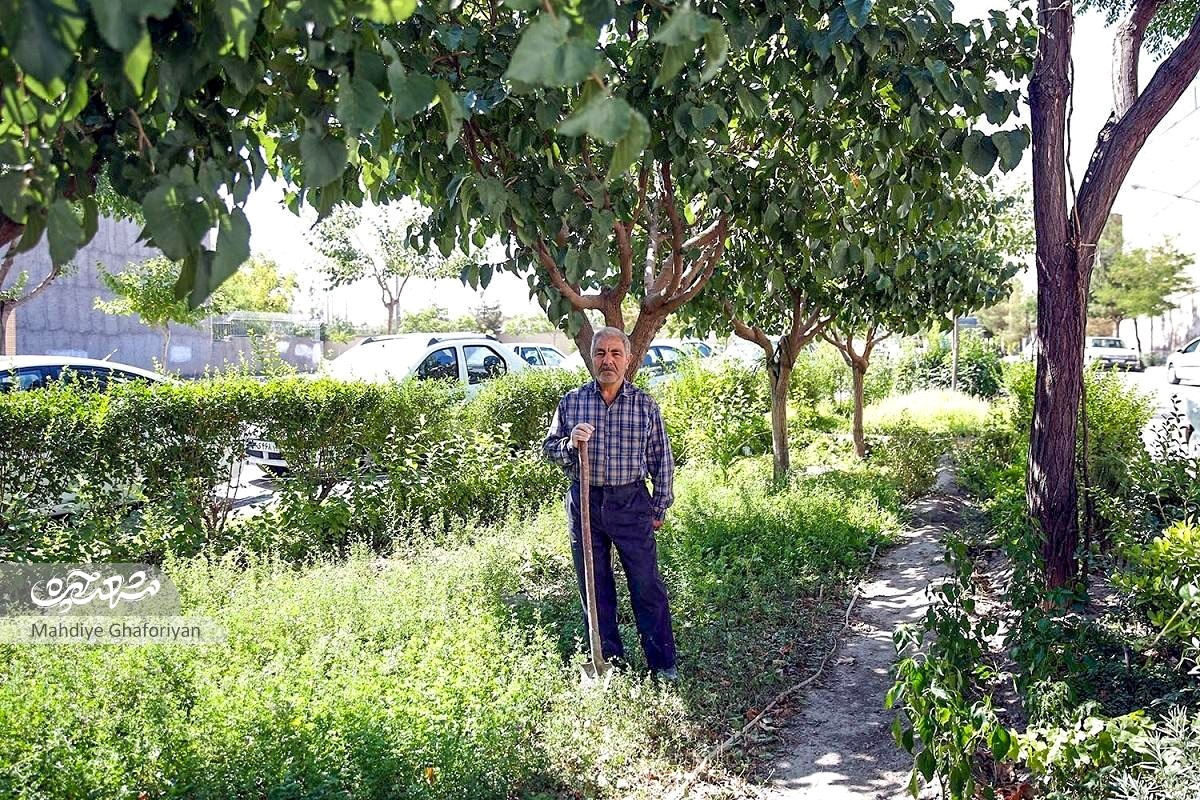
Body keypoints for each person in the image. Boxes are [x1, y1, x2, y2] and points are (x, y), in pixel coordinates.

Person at [542, 326, 678, 680]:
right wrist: (570, 444)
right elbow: (549, 449)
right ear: (591, 357)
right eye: (601, 353)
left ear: (629, 359)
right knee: (595, 586)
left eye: (616, 353)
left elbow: (661, 459)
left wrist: (659, 508)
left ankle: (662, 664)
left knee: (646, 584)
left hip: (631, 501)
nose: (608, 360)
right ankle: (610, 663)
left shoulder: (644, 404)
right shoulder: (572, 402)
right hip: (585, 500)